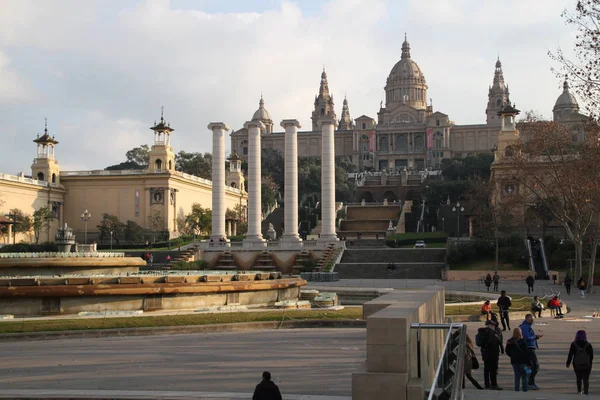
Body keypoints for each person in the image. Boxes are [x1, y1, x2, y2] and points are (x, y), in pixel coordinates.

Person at [477, 320, 504, 390]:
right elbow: (491, 342)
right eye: (492, 325)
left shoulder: (482, 332)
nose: (494, 326)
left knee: (486, 369)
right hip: (492, 353)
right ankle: (494, 384)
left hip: (485, 353)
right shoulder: (491, 333)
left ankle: (487, 384)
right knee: (493, 370)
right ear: (489, 325)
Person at [566, 330, 594, 395]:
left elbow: (570, 354)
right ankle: (586, 392)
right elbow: (591, 356)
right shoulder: (588, 345)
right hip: (586, 365)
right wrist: (590, 365)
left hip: (576, 364)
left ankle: (579, 391)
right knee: (586, 379)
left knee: (578, 378)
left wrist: (568, 363)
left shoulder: (574, 344)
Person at [520, 314, 543, 390]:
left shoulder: (528, 326)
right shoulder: (525, 327)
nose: (532, 321)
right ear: (526, 319)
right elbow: (526, 337)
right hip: (528, 348)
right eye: (531, 319)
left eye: (533, 319)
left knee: (530, 365)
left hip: (530, 347)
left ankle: (529, 381)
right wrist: (535, 337)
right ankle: (530, 381)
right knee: (536, 366)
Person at [506, 327, 530, 392]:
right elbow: (526, 353)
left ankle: (517, 389)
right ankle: (525, 389)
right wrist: (529, 363)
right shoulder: (523, 341)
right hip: (523, 361)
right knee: (524, 376)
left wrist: (512, 356)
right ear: (520, 333)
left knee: (517, 376)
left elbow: (507, 351)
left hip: (514, 361)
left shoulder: (509, 341)